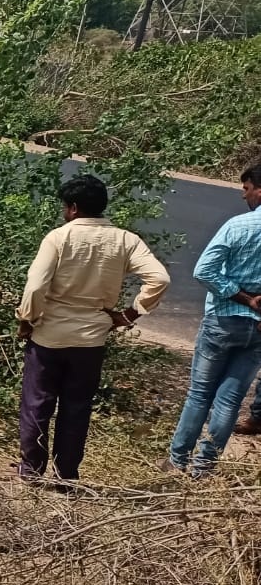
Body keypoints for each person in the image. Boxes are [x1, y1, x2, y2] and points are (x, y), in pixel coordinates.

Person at [14, 175, 169, 485]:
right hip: (91, 340)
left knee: (37, 403)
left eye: (64, 207)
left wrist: (26, 320)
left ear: (72, 208)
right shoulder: (126, 240)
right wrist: (129, 314)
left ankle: (31, 471)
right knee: (76, 408)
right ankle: (65, 476)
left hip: (49, 336)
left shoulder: (59, 238)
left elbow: (35, 287)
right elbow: (160, 279)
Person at [164, 164, 261, 478]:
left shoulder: (239, 226)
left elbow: (204, 271)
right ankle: (204, 467)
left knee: (200, 393)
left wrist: (244, 298)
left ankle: (178, 460)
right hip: (257, 329)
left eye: (246, 189)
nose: (244, 195)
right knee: (230, 398)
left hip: (224, 320)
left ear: (259, 189)